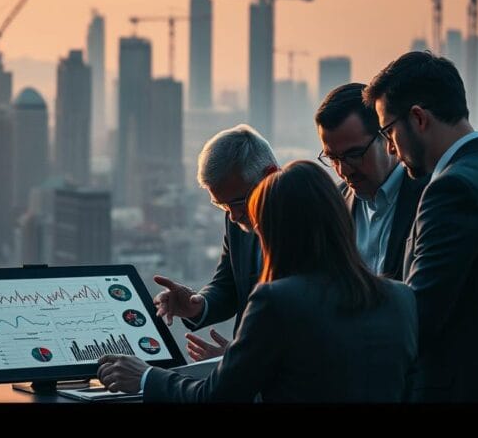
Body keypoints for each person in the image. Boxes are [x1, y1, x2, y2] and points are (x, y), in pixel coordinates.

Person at [98, 160, 418, 402]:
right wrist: (237, 361)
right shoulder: (401, 298)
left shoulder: (277, 300)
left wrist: (145, 376)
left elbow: (217, 398)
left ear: (274, 233)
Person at [364, 50, 478, 402]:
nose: (389, 147)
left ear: (418, 118)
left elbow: (418, 316)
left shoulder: (452, 189)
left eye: (388, 131)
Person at [152, 124, 277, 361]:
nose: (232, 215)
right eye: (222, 206)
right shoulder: (238, 217)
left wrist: (241, 359)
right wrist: (197, 305)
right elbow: (229, 283)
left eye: (238, 203)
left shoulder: (310, 223)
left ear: (269, 175)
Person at [315, 83, 427, 279]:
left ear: (386, 137)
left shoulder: (429, 194)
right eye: (332, 158)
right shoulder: (335, 203)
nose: (343, 170)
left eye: (354, 154)